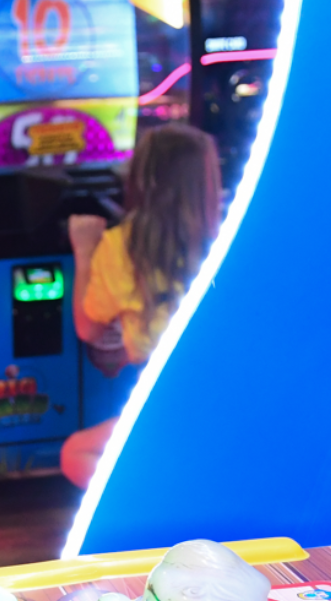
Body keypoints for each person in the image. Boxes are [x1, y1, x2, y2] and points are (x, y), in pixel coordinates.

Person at [63, 123, 222, 487]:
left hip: (165, 402)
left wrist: (85, 251)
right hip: (225, 398)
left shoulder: (121, 247)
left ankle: (156, 500)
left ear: (142, 179)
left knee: (76, 454)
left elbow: (89, 328)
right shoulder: (227, 240)